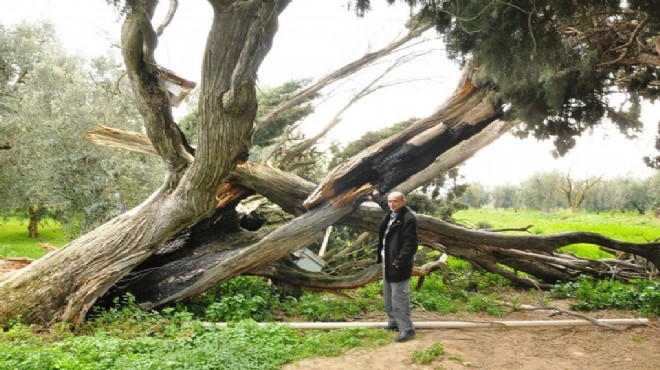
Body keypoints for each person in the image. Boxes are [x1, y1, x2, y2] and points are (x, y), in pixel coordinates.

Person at [372, 188, 418, 342]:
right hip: (387, 263)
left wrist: (399, 261)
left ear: (403, 202)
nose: (391, 204)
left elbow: (411, 245)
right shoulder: (392, 212)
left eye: (395, 201)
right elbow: (384, 204)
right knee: (388, 296)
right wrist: (376, 195)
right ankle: (393, 323)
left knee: (399, 297)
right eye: (390, 201)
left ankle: (407, 329)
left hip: (399, 264)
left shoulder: (407, 218)